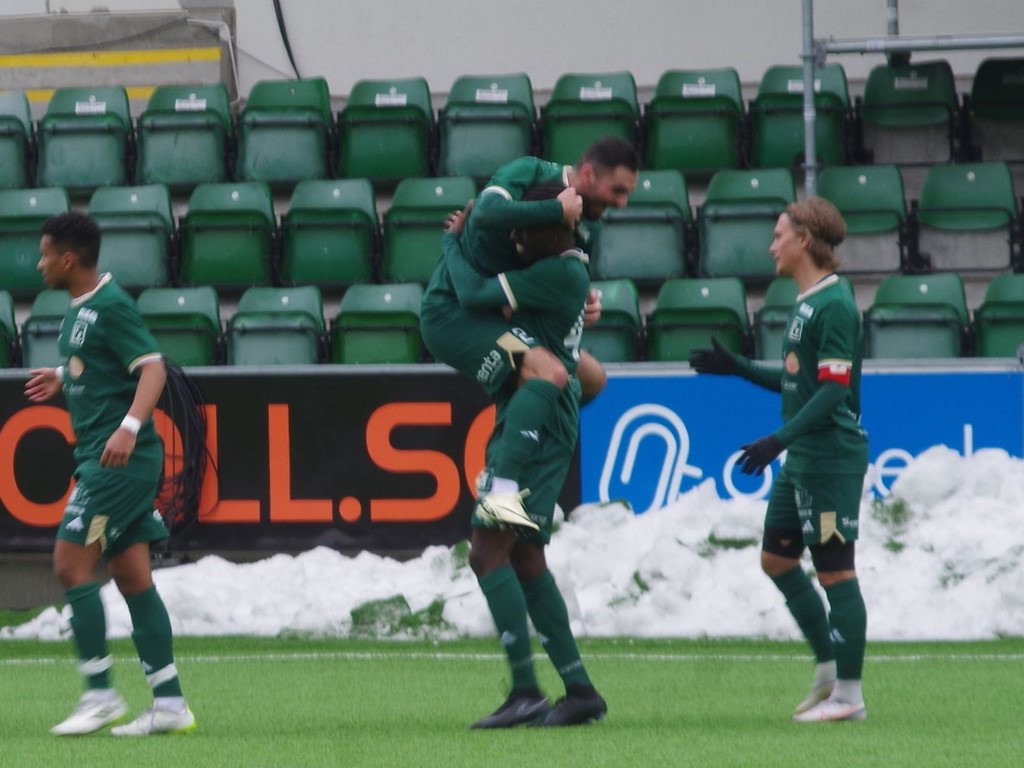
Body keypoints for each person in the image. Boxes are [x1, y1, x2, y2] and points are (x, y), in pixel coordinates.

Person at [688, 197, 869, 722]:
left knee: (837, 572)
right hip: (804, 458)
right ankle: (829, 669)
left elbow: (833, 392)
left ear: (805, 240)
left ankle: (850, 696)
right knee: (778, 559)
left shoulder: (835, 304)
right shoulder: (808, 299)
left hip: (830, 457)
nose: (772, 245)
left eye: (779, 235)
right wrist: (739, 367)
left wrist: (777, 440)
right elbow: (799, 381)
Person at [25, 211, 197, 737]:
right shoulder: (82, 308)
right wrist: (62, 376)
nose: (40, 263)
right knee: (131, 576)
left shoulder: (110, 306)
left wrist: (128, 426)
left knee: (71, 564)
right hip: (109, 464)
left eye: (46, 253)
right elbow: (101, 363)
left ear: (68, 259)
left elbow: (152, 367)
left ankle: (99, 694)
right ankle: (170, 704)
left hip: (115, 467)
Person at [442, 181, 607, 728]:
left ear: (551, 227)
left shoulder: (556, 271)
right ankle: (579, 690)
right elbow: (593, 377)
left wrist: (455, 243)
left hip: (533, 426)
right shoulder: (564, 271)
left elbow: (471, 293)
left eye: (523, 229)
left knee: (487, 553)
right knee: (525, 557)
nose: (514, 239)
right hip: (543, 421)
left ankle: (525, 691)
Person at [421, 136, 638, 533]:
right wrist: (554, 207)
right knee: (547, 371)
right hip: (455, 314)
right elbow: (485, 212)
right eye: (618, 190)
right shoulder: (529, 173)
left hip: (496, 312)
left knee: (590, 378)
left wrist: (578, 304)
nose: (622, 203)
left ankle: (520, 455)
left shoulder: (580, 220)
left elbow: (549, 277)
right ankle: (500, 488)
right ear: (587, 174)